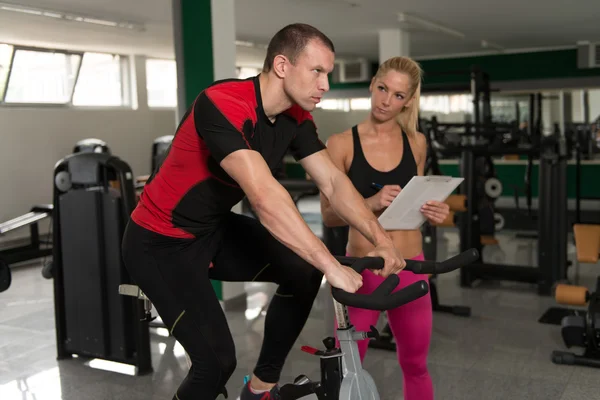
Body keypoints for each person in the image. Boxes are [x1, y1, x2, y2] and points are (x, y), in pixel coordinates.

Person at [121, 23, 407, 400]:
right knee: (215, 362)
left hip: (211, 231)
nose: (325, 85)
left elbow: (334, 183)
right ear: (283, 65)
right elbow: (264, 197)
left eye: (328, 75)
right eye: (317, 72)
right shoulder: (222, 102)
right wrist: (331, 266)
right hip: (159, 243)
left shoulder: (296, 118)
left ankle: (259, 391)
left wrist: (382, 241)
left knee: (303, 272)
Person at [320, 56, 450, 400]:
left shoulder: (417, 143)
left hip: (410, 266)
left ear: (407, 101)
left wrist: (434, 211)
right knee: (348, 371)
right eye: (382, 88)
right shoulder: (341, 143)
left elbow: (413, 209)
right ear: (372, 84)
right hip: (362, 271)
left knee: (416, 365)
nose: (385, 101)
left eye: (397, 95)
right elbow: (330, 216)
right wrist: (372, 203)